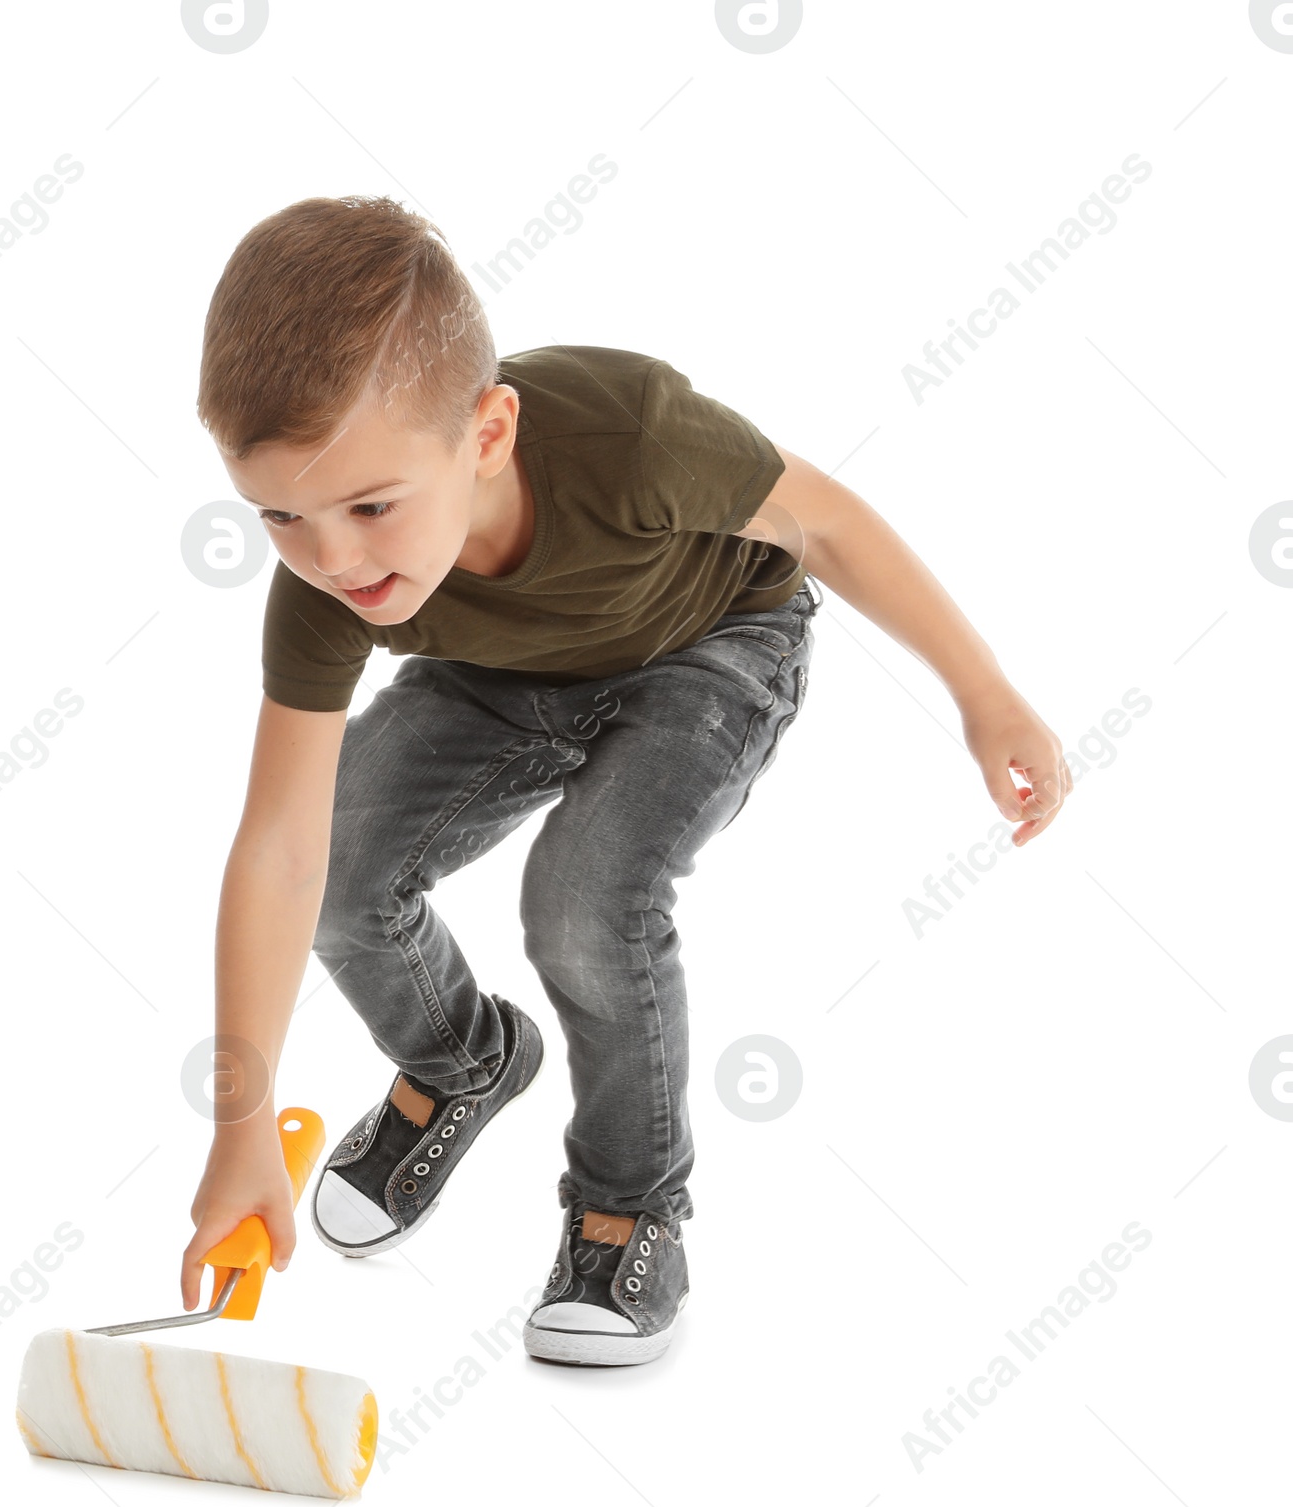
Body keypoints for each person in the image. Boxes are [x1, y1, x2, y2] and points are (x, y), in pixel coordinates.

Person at [179, 194, 1070, 1367]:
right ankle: (464, 1061)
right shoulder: (332, 586)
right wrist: (240, 1123)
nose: (332, 557)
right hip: (502, 670)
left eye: (372, 505)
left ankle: (628, 1208)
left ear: (488, 435)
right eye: (280, 515)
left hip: (709, 643)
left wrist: (983, 693)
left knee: (585, 898)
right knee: (346, 866)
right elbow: (281, 850)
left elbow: (832, 525)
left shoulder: (628, 438)